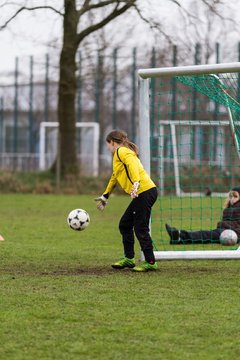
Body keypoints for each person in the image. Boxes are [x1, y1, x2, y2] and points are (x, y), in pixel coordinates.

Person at [95, 129, 158, 272]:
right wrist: (105, 196)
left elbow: (132, 165)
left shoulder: (121, 152)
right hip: (145, 191)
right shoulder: (119, 155)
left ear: (112, 142)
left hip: (144, 191)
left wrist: (136, 183)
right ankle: (129, 259)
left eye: (107, 144)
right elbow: (114, 177)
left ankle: (151, 261)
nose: (107, 148)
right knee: (125, 225)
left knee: (140, 227)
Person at [165, 187, 240, 245]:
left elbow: (237, 223)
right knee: (207, 234)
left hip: (235, 234)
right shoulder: (228, 209)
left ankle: (179, 236)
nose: (232, 199)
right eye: (231, 196)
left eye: (235, 196)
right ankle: (179, 236)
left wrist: (223, 224)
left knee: (207, 234)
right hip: (225, 231)